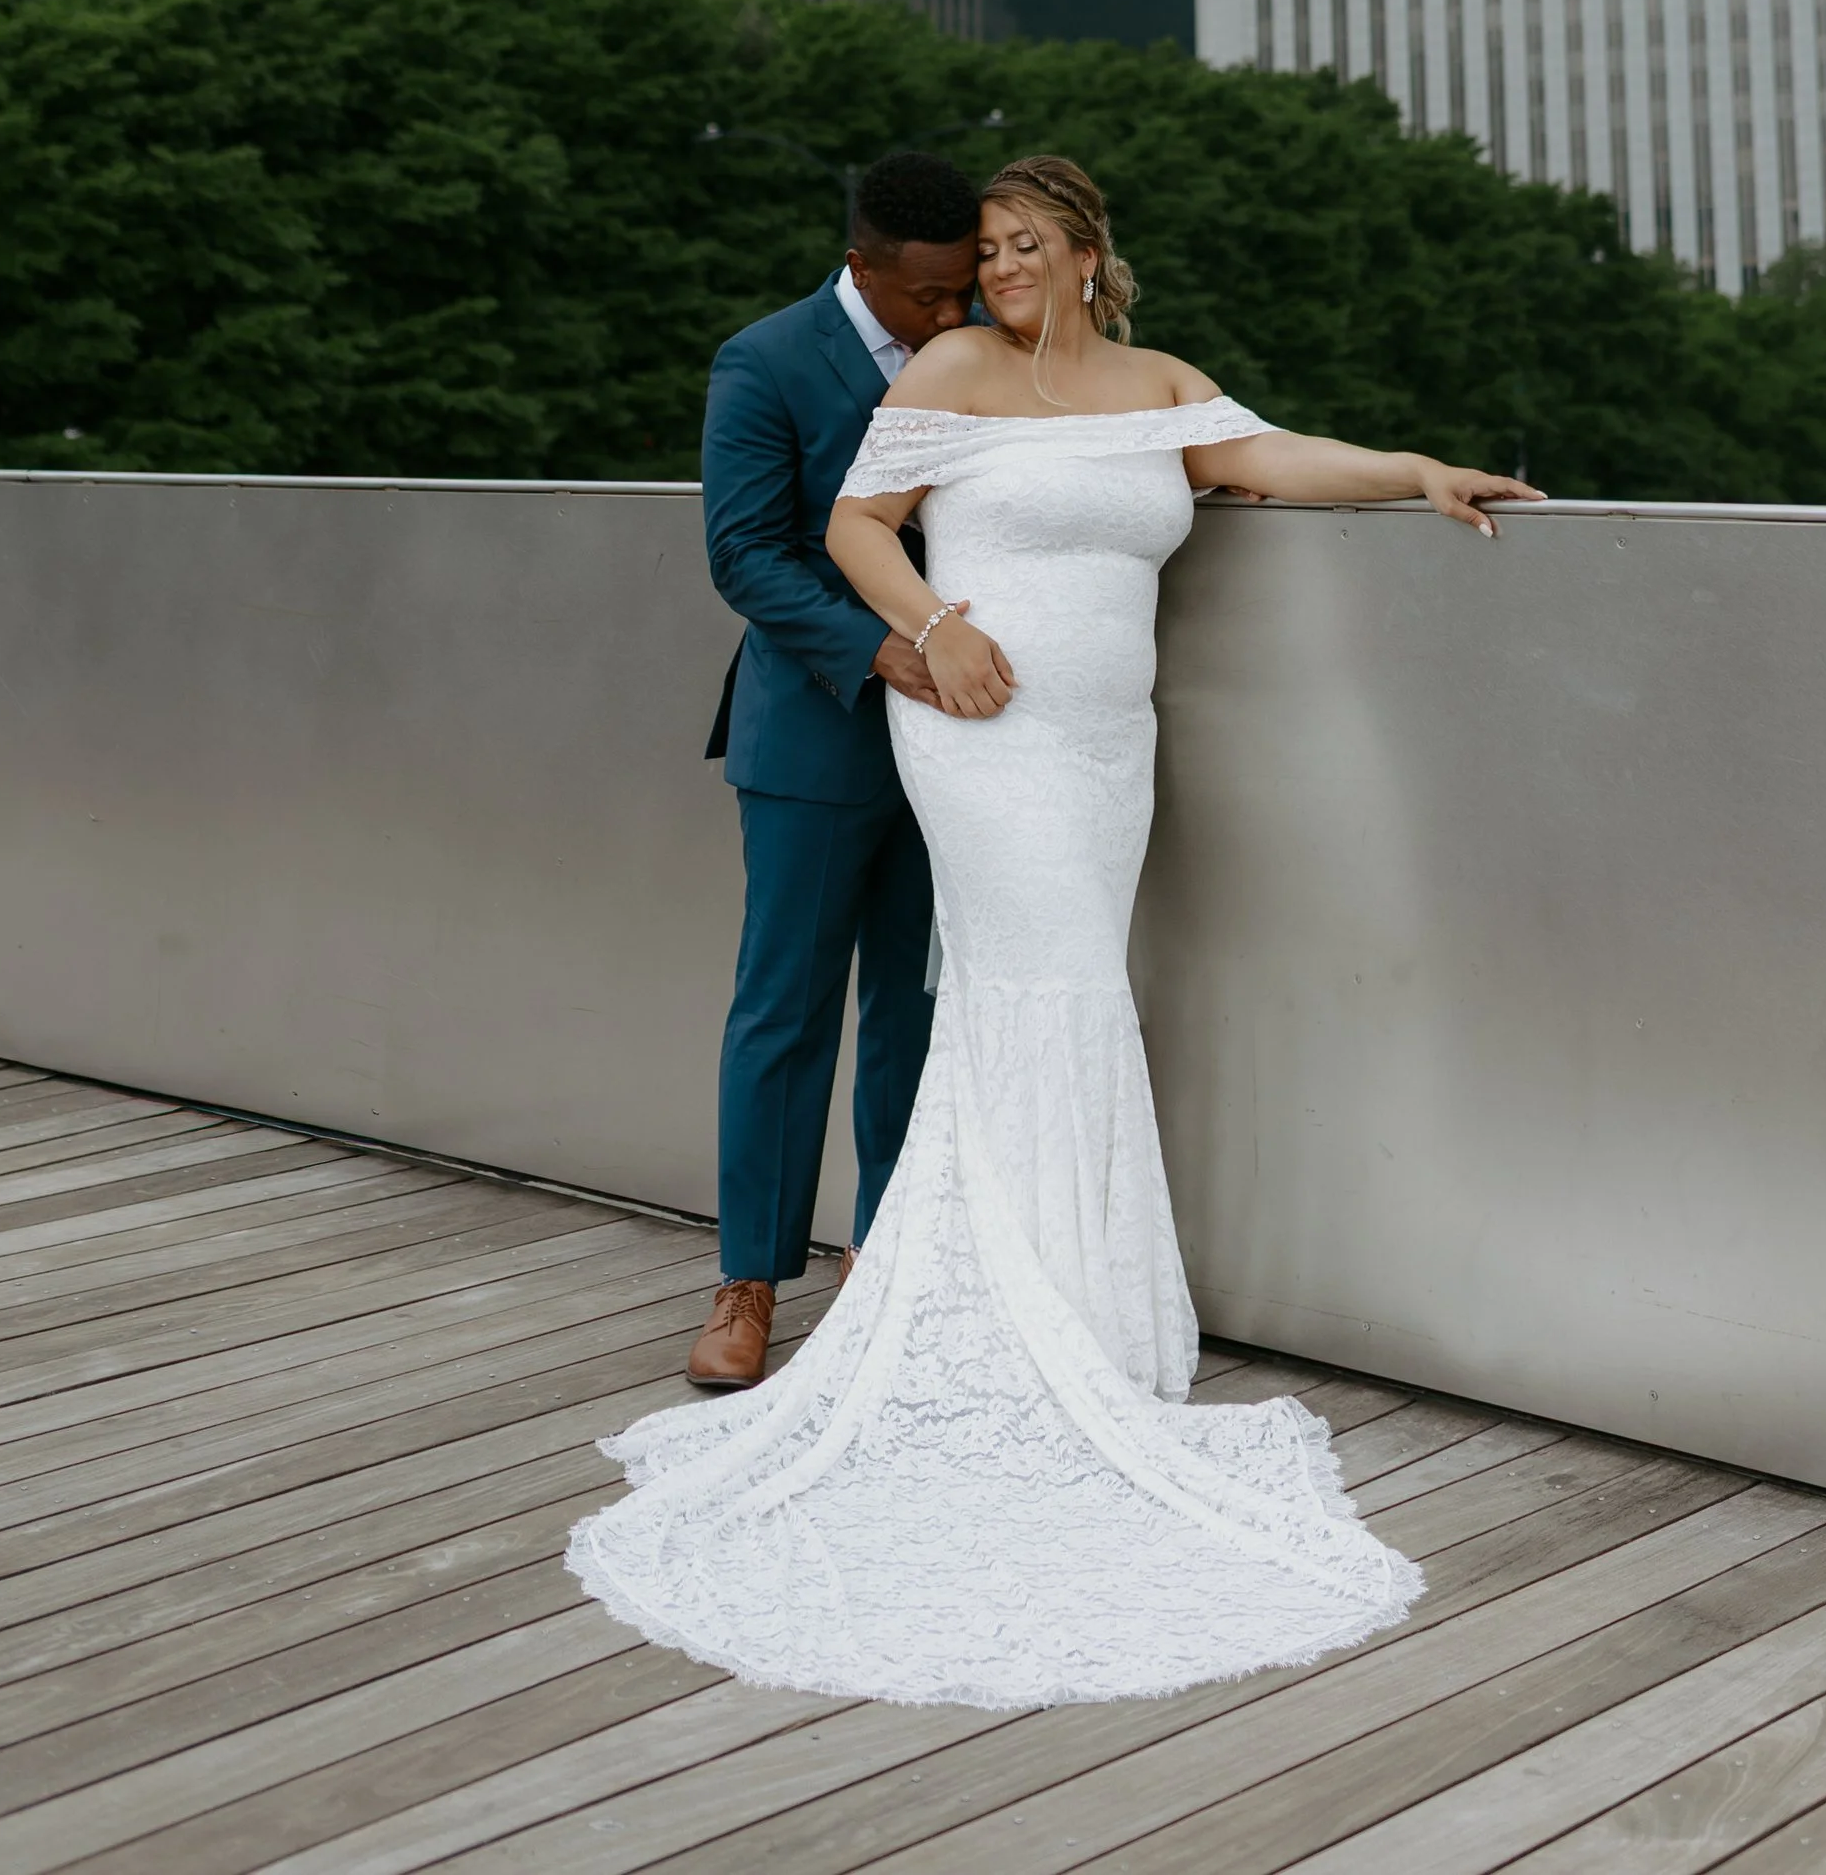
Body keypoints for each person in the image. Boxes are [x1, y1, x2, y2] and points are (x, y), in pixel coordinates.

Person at [569, 151, 1543, 1711]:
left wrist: (1417, 467)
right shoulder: (952, 364)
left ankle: (1078, 1305)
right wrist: (938, 635)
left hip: (1110, 749)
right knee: (1036, 989)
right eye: (984, 248)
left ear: (1089, 251)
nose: (997, 268)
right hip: (983, 731)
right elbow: (851, 523)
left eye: (1025, 245)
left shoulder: (1158, 379)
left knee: (1040, 996)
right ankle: (927, 1306)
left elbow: (1261, 461)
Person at [680, 146, 986, 1397]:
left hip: (963, 749)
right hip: (816, 736)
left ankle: (886, 1262)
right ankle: (747, 1283)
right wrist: (885, 652)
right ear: (861, 265)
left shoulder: (984, 351)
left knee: (912, 1012)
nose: (950, 314)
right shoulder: (763, 360)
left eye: (962, 288)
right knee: (784, 1013)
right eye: (926, 297)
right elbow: (745, 554)